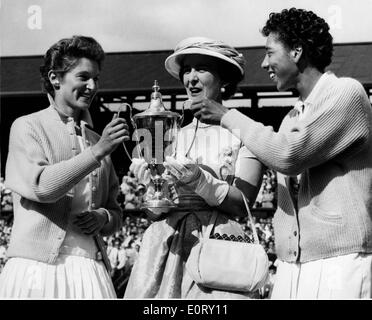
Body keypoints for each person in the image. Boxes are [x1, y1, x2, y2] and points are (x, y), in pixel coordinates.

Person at [189, 8, 372, 299]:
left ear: (297, 51)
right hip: (291, 263)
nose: (263, 63)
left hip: (340, 261)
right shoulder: (289, 119)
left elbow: (288, 156)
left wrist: (227, 115)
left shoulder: (347, 93)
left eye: (270, 52)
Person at [124, 37, 265, 299]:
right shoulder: (169, 134)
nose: (191, 78)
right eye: (186, 70)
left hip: (218, 249)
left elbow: (241, 204)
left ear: (224, 79)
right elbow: (156, 214)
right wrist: (152, 191)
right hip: (165, 251)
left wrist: (201, 180)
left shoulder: (244, 132)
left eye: (201, 69)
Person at [0, 35, 129, 298]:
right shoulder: (26, 127)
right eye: (83, 77)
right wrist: (97, 152)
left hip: (90, 271)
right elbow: (42, 187)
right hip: (36, 271)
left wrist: (103, 217)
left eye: (96, 78)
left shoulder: (96, 140)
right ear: (55, 78)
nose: (92, 86)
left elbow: (116, 210)